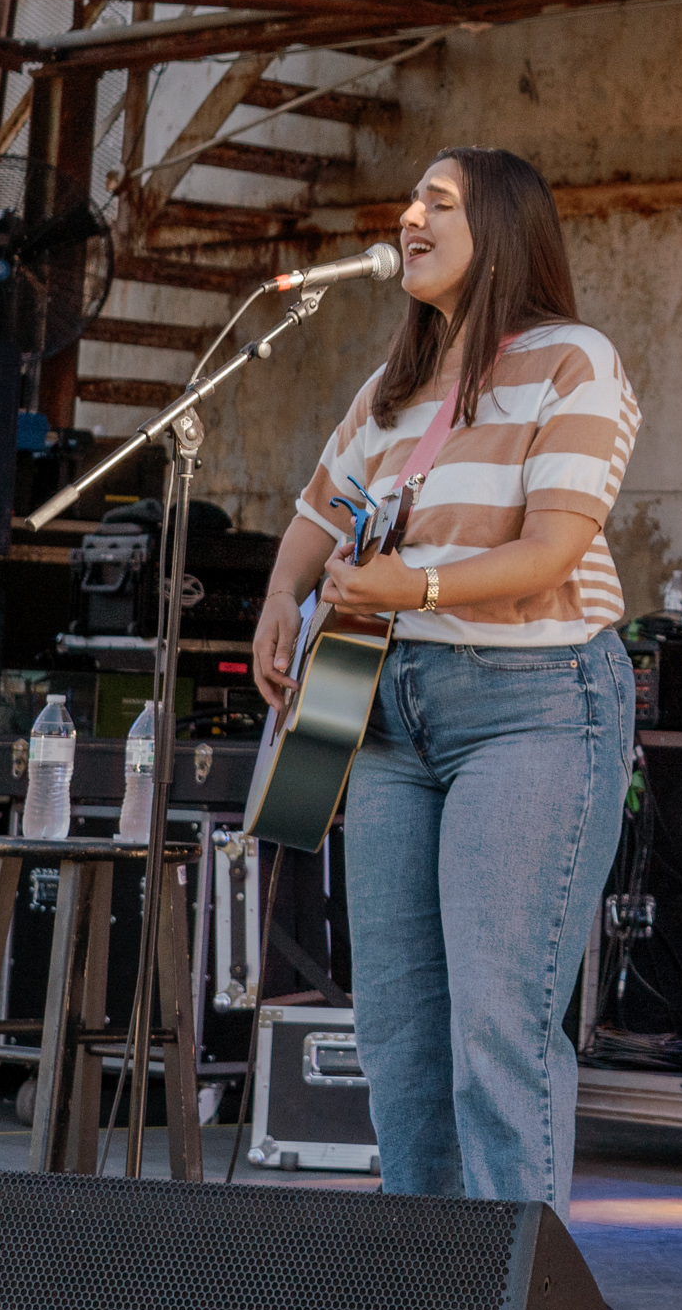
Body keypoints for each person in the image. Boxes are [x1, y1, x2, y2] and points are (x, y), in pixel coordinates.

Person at [254, 150, 640, 1209]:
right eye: (409, 200)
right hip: (384, 716)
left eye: (439, 201)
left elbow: (554, 549)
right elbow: (316, 516)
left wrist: (410, 585)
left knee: (495, 1027)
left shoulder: (573, 360)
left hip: (532, 709)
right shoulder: (392, 389)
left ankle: (512, 1281)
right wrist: (282, 596)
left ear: (504, 228)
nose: (407, 216)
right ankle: (424, 1275)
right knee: (397, 1031)